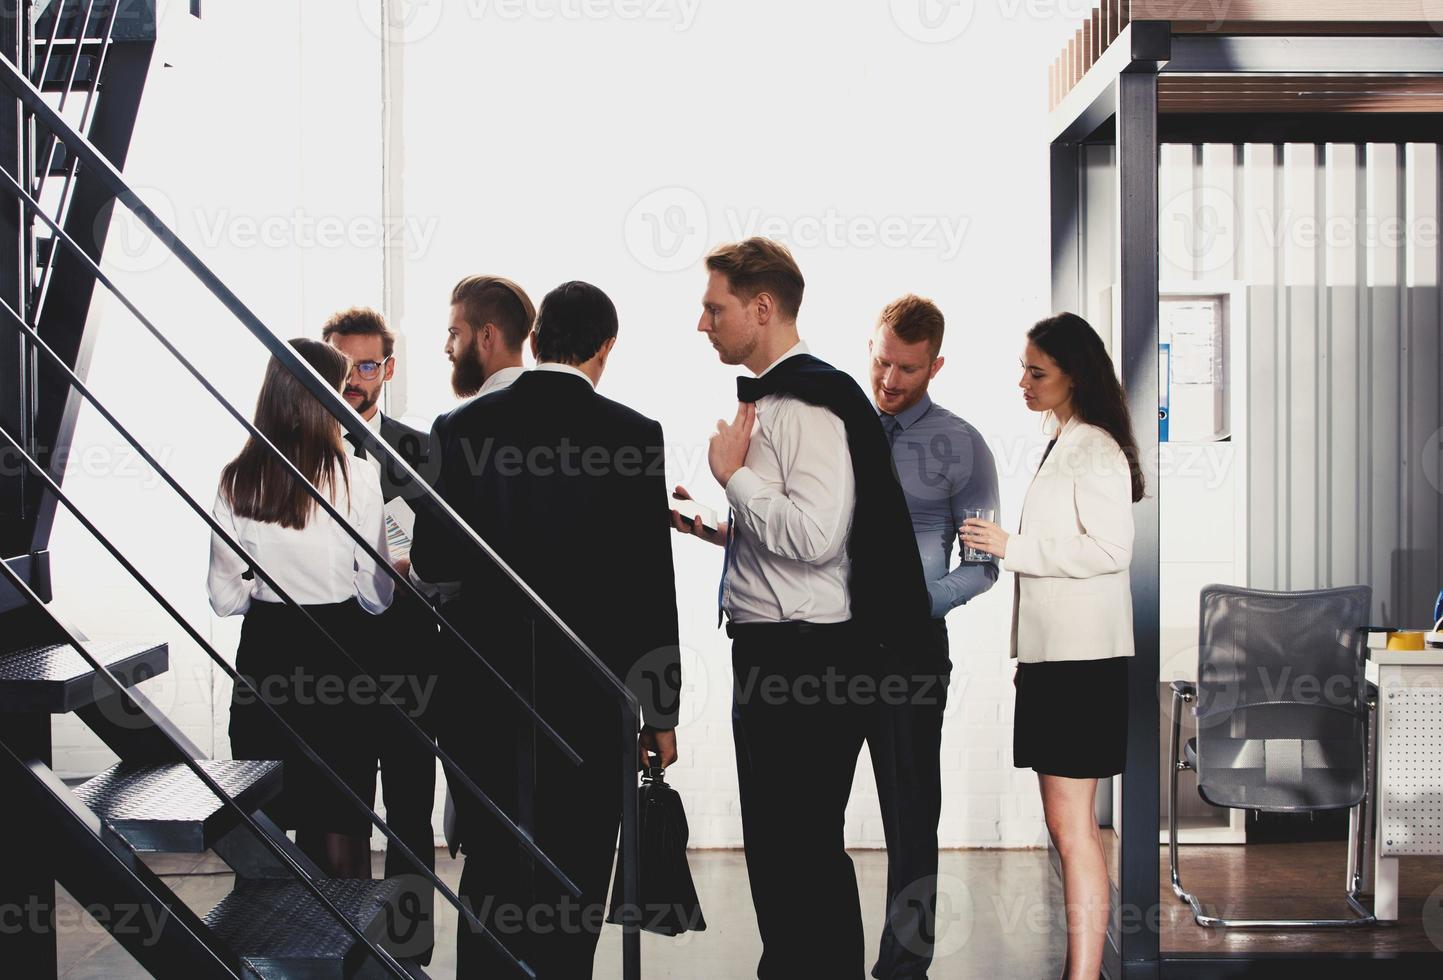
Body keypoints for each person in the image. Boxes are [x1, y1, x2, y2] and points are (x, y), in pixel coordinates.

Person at [670, 238, 931, 979]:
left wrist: (732, 480)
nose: (702, 324)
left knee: (800, 849)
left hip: (805, 658)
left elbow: (818, 537)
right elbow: (790, 524)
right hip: (775, 651)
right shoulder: (776, 398)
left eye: (713, 308)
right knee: (782, 849)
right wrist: (708, 519)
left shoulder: (807, 403)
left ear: (761, 308)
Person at [411, 281, 680, 978]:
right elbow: (650, 586)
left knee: (494, 872)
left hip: (481, 697)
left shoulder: (459, 429)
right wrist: (661, 710)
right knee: (578, 873)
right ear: (605, 348)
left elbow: (436, 564)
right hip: (592, 702)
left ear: (533, 342)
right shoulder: (632, 435)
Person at [961, 312, 1142, 980]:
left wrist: (1013, 547)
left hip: (1079, 664)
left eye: (1036, 372)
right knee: (1068, 826)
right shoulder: (1067, 438)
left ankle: (1084, 975)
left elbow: (1110, 548)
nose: (1023, 382)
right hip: (1056, 661)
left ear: (1073, 374)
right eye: (1023, 368)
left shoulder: (1092, 444)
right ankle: (1082, 971)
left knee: (1074, 829)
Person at [208, 338, 394, 878]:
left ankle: (269, 955)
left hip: (268, 651)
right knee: (341, 816)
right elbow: (377, 597)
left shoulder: (236, 479)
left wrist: (263, 592)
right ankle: (354, 959)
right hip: (341, 652)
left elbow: (223, 598)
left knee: (264, 814)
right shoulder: (357, 477)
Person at [866, 294, 1000, 979]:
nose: (889, 380)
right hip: (824, 648)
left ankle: (902, 969)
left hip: (911, 655)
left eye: (907, 370)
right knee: (808, 816)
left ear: (935, 365)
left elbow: (982, 568)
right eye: (882, 360)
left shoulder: (962, 446)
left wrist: (918, 602)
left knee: (911, 823)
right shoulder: (836, 428)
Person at [322, 307, 436, 963]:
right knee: (335, 812)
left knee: (411, 814)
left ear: (388, 369)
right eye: (343, 365)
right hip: (328, 663)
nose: (354, 380)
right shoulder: (298, 449)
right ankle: (339, 950)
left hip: (411, 662)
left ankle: (408, 955)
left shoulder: (421, 451)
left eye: (367, 366)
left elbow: (445, 558)